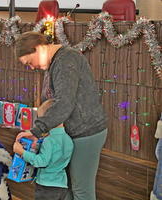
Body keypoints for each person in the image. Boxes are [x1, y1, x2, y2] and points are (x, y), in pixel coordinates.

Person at [14, 31, 107, 200]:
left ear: (39, 48)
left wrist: (37, 130)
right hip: (74, 132)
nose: (31, 67)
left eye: (29, 62)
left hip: (87, 132)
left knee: (81, 190)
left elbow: (64, 103)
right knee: (69, 189)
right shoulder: (55, 63)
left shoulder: (66, 60)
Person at [13, 99, 73, 200]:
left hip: (46, 187)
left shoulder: (49, 141)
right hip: (61, 185)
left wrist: (22, 152)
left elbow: (41, 162)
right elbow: (56, 156)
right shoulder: (69, 140)